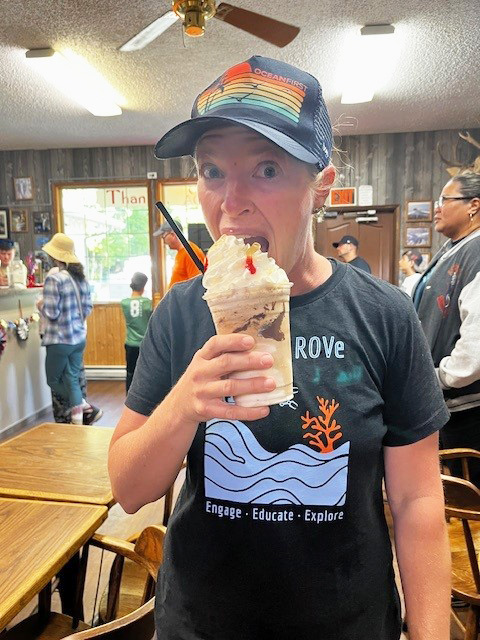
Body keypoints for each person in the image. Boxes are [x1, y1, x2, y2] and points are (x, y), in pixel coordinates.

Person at [108, 56, 450, 640]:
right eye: (211, 170)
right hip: (202, 623)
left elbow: (417, 500)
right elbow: (130, 490)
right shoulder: (181, 312)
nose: (231, 200)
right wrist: (185, 404)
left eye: (266, 169)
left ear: (321, 186)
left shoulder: (384, 315)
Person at [413, 171, 480, 485]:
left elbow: (476, 338)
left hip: (467, 408)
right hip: (445, 399)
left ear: (473, 206)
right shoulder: (454, 249)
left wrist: (446, 375)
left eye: (445, 200)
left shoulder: (477, 251)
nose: (437, 208)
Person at [37, 233, 102, 425]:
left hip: (59, 340)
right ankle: (78, 420)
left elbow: (51, 312)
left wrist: (40, 304)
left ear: (55, 256)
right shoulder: (80, 278)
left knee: (53, 380)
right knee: (72, 379)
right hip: (78, 338)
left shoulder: (54, 279)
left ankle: (84, 406)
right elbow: (88, 308)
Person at [121, 272, 152, 393]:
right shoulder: (147, 303)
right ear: (143, 287)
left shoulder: (124, 303)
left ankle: (129, 397)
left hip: (130, 344)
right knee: (147, 373)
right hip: (145, 344)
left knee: (130, 373)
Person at [153, 219, 205, 288]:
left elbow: (197, 285)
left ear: (173, 234)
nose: (164, 241)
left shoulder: (190, 252)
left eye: (163, 236)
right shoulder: (181, 253)